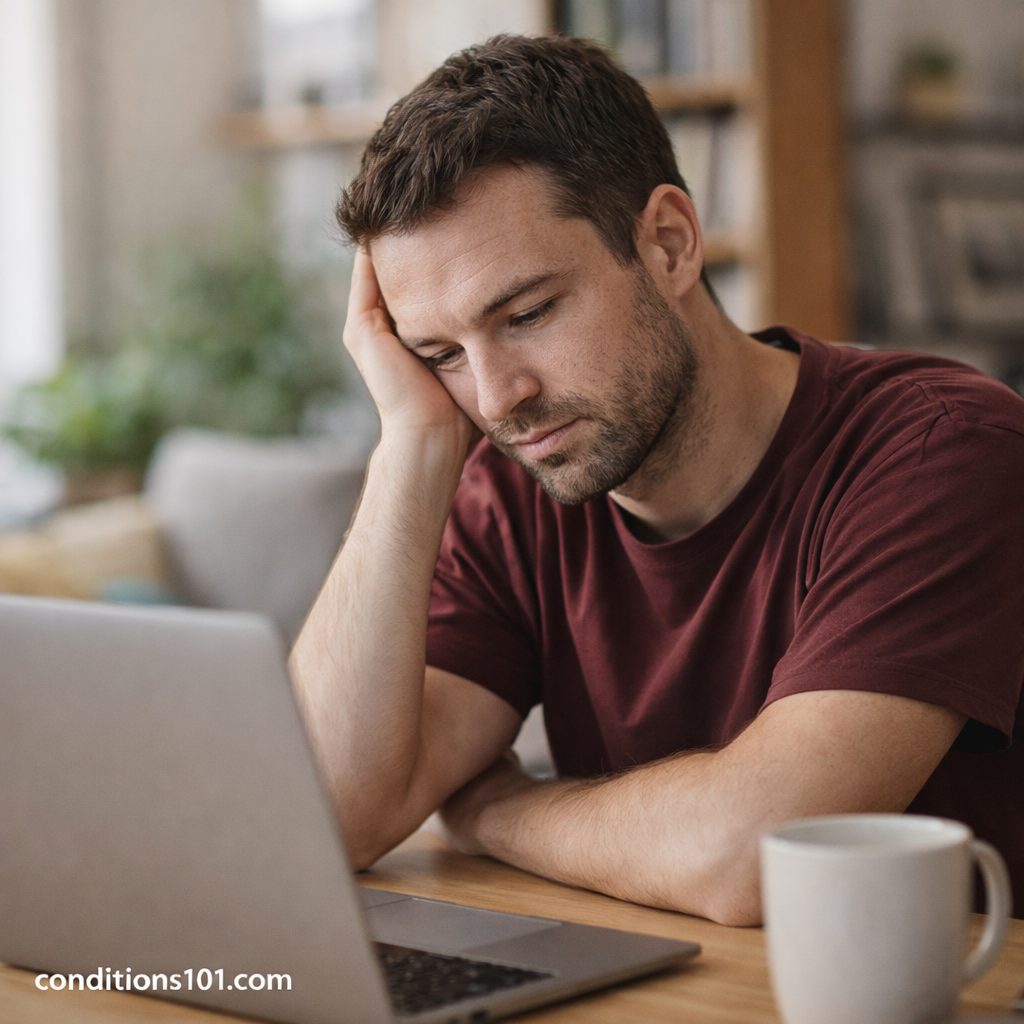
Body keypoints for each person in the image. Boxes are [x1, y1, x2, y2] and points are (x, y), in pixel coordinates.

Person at [290, 34, 1024, 924]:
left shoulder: (943, 453)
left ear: (671, 244)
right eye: (439, 352)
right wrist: (409, 440)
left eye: (526, 314)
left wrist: (498, 810)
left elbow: (751, 857)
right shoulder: (512, 486)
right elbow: (321, 820)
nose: (497, 399)